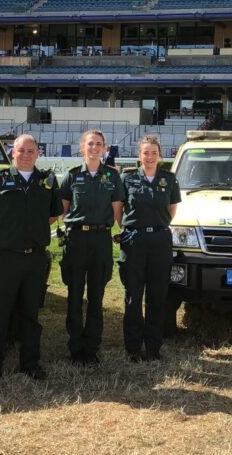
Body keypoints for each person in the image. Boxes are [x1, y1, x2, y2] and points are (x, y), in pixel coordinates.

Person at [0, 134, 62, 383]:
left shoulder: (46, 182)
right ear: (13, 152)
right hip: (6, 258)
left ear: (38, 154)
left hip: (34, 259)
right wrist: (0, 234)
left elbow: (54, 214)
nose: (26, 155)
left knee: (31, 316)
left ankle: (30, 364)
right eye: (21, 151)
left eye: (31, 151)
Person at [59, 129, 123, 365]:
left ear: (104, 148)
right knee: (74, 295)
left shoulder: (112, 177)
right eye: (90, 144)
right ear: (81, 147)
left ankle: (92, 347)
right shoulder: (72, 176)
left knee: (97, 296)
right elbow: (62, 211)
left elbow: (118, 214)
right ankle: (75, 348)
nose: (94, 148)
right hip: (77, 240)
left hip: (101, 240)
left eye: (98, 144)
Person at [118, 135, 182, 361]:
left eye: (154, 153)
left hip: (160, 241)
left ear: (159, 155)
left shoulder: (169, 179)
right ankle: (133, 348)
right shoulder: (127, 178)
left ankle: (153, 347)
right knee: (133, 296)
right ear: (139, 155)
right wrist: (129, 227)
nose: (150, 157)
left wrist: (156, 226)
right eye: (146, 153)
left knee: (157, 296)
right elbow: (119, 209)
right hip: (134, 241)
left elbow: (172, 210)